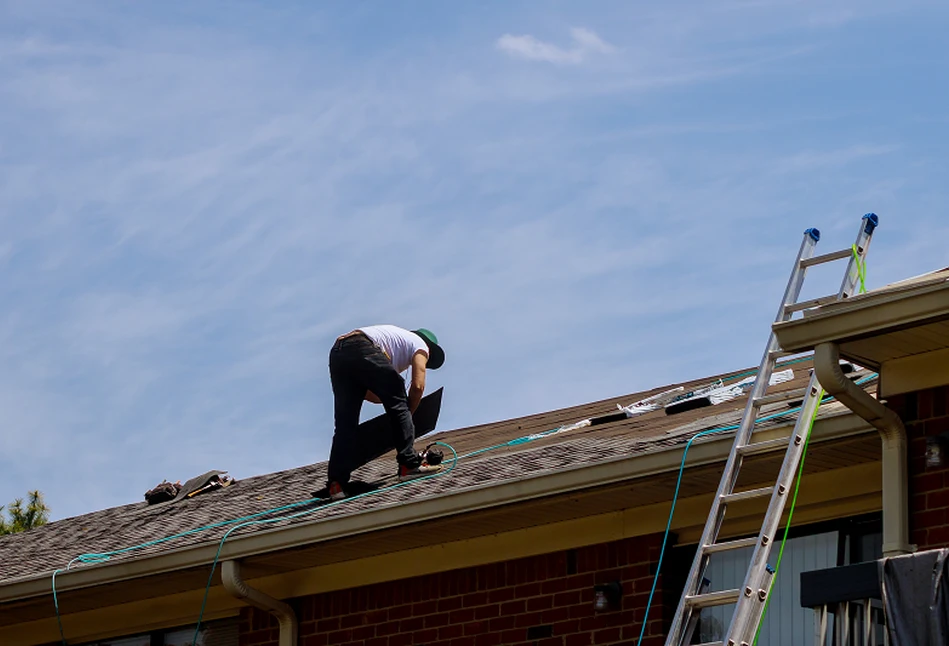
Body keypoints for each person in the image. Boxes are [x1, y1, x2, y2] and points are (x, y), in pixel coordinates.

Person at [326, 325, 446, 500]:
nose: (425, 364)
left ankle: (336, 485)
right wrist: (407, 413)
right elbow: (418, 386)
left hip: (339, 354)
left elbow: (374, 396)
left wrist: (398, 412)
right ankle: (409, 465)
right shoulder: (420, 344)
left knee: (345, 426)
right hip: (361, 346)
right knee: (399, 400)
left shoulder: (392, 348)